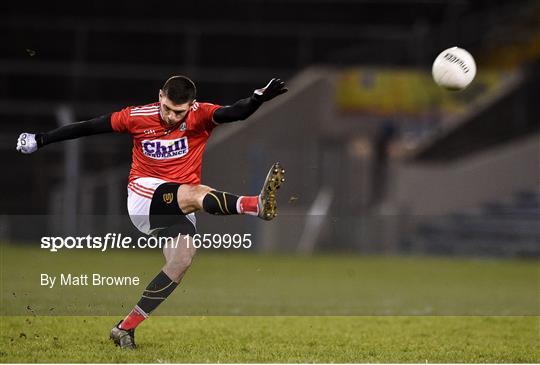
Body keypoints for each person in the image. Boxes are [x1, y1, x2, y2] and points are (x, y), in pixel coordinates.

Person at [16, 75, 288, 349]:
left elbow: (235, 112)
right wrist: (42, 139)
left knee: (181, 260)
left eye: (178, 112)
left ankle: (125, 328)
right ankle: (254, 205)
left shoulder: (200, 115)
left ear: (191, 105)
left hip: (176, 206)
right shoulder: (137, 116)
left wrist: (257, 99)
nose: (171, 116)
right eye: (167, 107)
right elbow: (89, 126)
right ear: (160, 96)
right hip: (143, 197)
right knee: (195, 193)